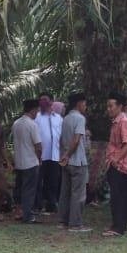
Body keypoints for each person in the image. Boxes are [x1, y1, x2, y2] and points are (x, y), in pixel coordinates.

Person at [103, 91, 127, 237]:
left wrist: (116, 159)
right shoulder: (117, 121)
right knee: (117, 196)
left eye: (111, 106)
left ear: (120, 106)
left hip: (119, 166)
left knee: (118, 196)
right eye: (108, 106)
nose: (108, 109)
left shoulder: (123, 121)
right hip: (114, 164)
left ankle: (118, 227)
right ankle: (118, 224)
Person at [58, 92, 91, 231]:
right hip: (77, 161)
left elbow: (61, 139)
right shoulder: (80, 118)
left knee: (65, 192)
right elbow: (76, 140)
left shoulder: (66, 118)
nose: (85, 106)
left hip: (66, 161)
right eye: (84, 103)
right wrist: (68, 154)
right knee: (78, 193)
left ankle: (63, 221)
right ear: (79, 103)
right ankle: (75, 223)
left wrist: (63, 155)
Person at [12, 99, 43, 224]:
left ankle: (19, 212)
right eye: (37, 111)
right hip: (30, 162)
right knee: (29, 190)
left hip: (19, 161)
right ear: (33, 110)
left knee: (19, 188)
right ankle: (28, 215)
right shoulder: (32, 124)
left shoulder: (16, 123)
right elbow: (38, 145)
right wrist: (39, 158)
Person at [35, 92, 63, 213]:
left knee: (53, 180)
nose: (43, 102)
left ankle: (52, 203)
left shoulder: (58, 118)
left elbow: (61, 136)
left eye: (45, 99)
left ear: (51, 101)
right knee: (38, 179)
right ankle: (38, 204)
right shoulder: (37, 117)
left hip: (55, 155)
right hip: (41, 155)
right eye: (41, 100)